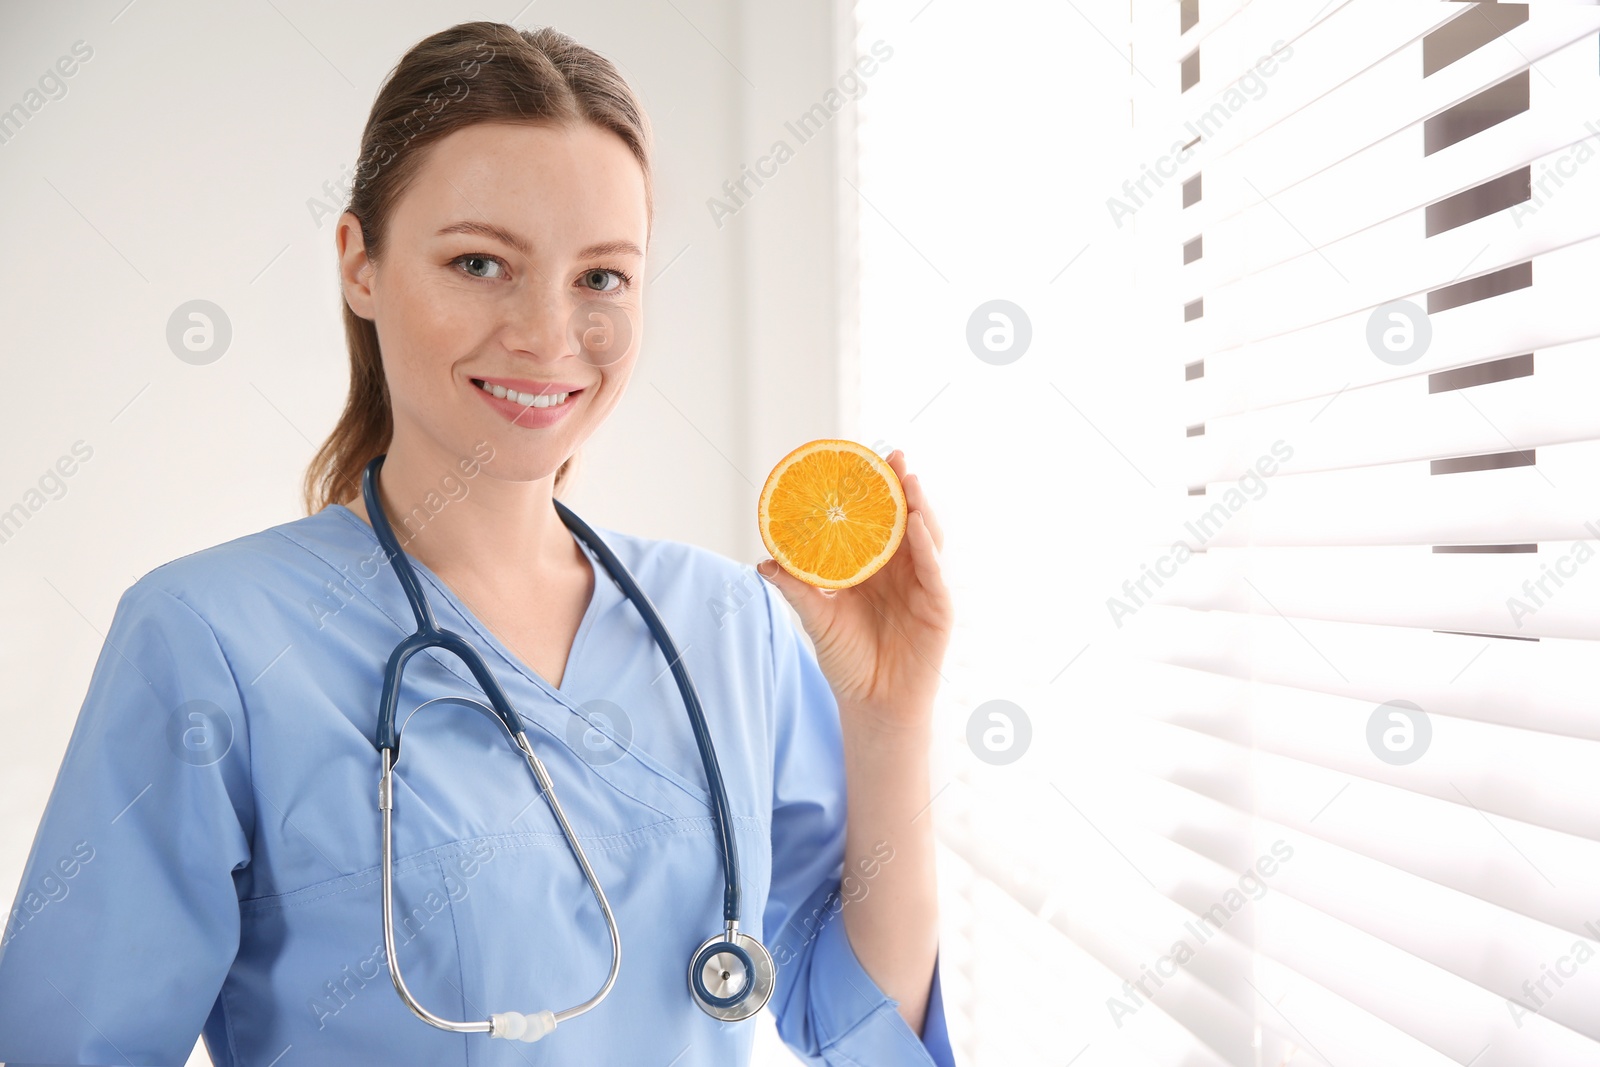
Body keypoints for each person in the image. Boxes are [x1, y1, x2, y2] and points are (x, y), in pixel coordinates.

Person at [0, 21, 957, 1067]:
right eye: (480, 261)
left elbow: (859, 1025)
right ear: (359, 265)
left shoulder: (731, 624)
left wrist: (887, 718)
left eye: (602, 277)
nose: (549, 334)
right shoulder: (211, 641)